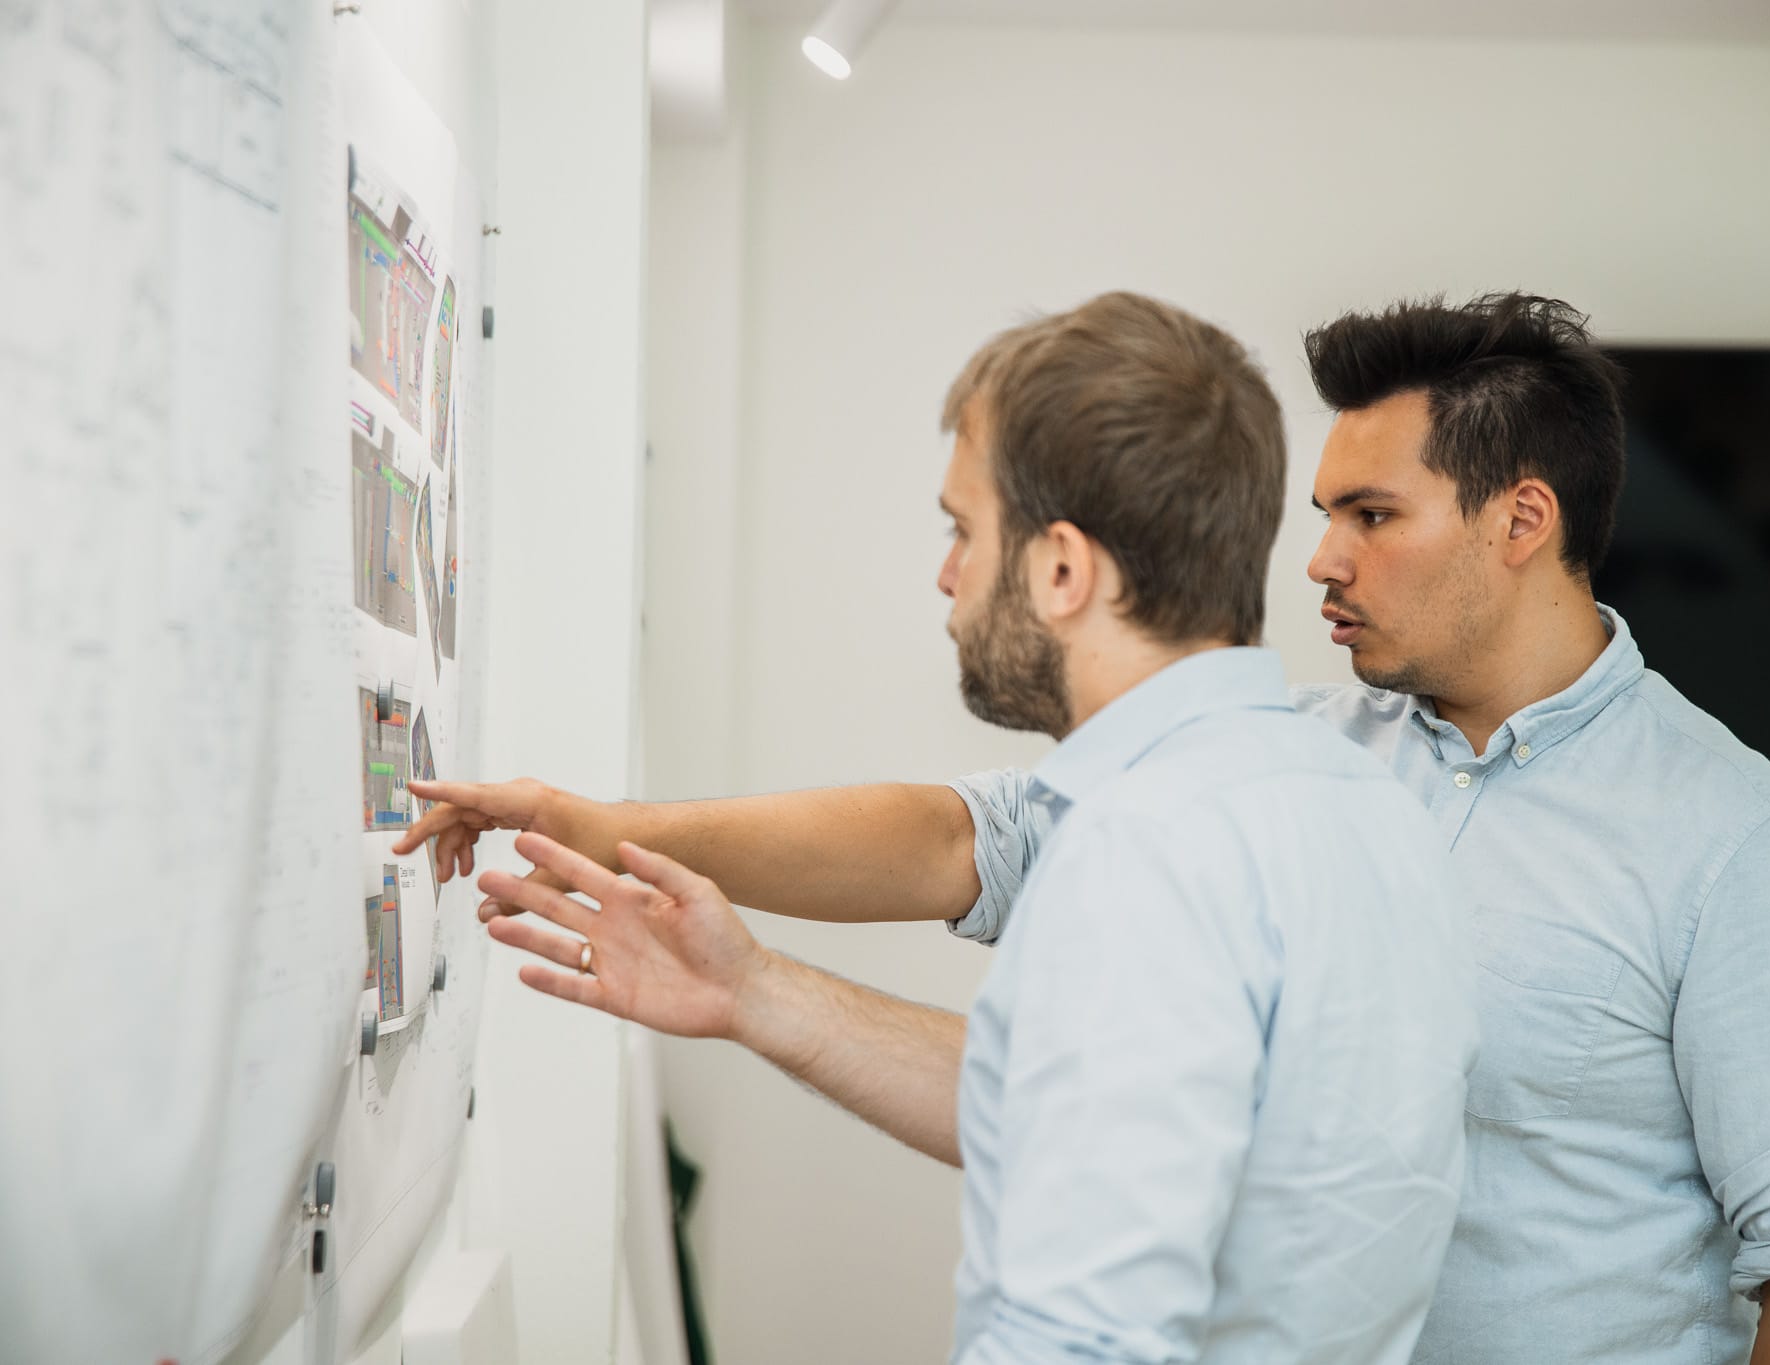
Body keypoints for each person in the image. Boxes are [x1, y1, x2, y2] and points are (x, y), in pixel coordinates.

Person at [404, 292, 1770, 1364]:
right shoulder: (1327, 770)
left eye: (1372, 517)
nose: (1319, 560)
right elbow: (973, 853)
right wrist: (642, 864)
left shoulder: (1729, 840)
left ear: (1519, 522)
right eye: (1318, 511)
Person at [410, 292, 1477, 1364]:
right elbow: (1109, 1126)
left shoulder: (1147, 848)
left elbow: (1083, 1339)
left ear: (1062, 570)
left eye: (964, 530)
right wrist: (749, 989)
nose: (946, 576)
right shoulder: (1365, 812)